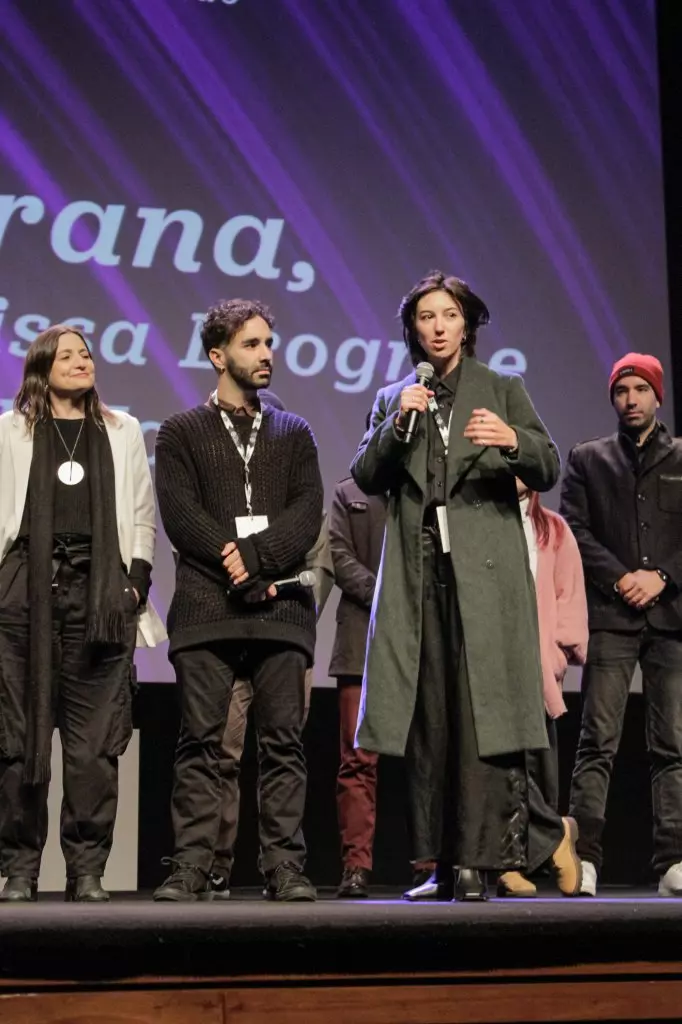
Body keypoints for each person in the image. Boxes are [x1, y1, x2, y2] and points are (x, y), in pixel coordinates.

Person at [351, 270, 581, 901]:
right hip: (421, 573)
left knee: (482, 717)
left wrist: (511, 441)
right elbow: (365, 473)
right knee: (430, 718)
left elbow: (549, 461)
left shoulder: (501, 388)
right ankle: (437, 862)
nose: (437, 327)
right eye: (425, 318)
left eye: (448, 315)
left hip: (483, 575)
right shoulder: (398, 395)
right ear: (413, 330)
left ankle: (482, 861)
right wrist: (397, 424)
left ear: (467, 323)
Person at [153, 298, 323, 902]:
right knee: (201, 744)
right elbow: (179, 513)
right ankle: (192, 867)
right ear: (217, 354)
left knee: (283, 744)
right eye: (252, 345)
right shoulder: (180, 432)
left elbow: (307, 511)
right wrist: (232, 558)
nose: (266, 354)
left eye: (268, 343)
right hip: (207, 608)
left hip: (279, 610)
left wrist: (258, 558)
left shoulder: (294, 431)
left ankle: (284, 867)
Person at [0, 325, 165, 903]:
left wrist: (136, 582)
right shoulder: (11, 431)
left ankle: (87, 868)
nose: (81, 361)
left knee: (94, 747)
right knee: (18, 740)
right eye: (66, 355)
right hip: (25, 597)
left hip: (99, 601)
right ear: (41, 370)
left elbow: (141, 514)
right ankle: (19, 867)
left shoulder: (120, 432)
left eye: (86, 354)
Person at [560, 353, 682, 897]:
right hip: (611, 617)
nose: (630, 399)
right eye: (621, 391)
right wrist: (621, 579)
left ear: (657, 396)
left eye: (639, 389)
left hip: (670, 618)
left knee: (672, 743)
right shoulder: (589, 458)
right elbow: (575, 531)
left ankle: (674, 860)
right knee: (597, 741)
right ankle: (583, 857)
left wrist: (661, 577)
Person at [208, 389, 333, 899]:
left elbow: (317, 571)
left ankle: (280, 865)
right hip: (229, 631)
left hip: (284, 630)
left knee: (282, 748)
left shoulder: (304, 503)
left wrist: (277, 586)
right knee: (222, 752)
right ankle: (214, 864)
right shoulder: (220, 486)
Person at [496, 480, 588, 897]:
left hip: (536, 662)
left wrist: (557, 655)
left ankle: (542, 843)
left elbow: (569, 595)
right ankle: (515, 857)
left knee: (533, 764)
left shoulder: (553, 528)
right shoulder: (488, 523)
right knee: (498, 764)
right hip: (495, 659)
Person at [328, 439, 387, 898]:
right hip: (359, 640)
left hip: (419, 638)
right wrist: (389, 594)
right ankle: (356, 866)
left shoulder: (421, 492)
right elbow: (340, 559)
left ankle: (431, 862)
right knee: (357, 760)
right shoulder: (348, 493)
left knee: (426, 757)